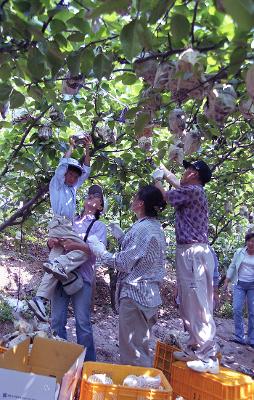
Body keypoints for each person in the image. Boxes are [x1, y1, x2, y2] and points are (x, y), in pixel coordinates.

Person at [88, 185, 167, 367]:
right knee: (140, 346)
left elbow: (123, 262)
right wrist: (122, 237)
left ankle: (138, 390)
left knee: (133, 354)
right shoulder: (155, 227)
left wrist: (100, 251)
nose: (132, 199)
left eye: (135, 197)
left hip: (135, 296)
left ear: (140, 203)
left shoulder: (142, 229)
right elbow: (141, 253)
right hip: (149, 297)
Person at [153, 160, 219, 374]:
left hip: (193, 253)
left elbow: (164, 196)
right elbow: (175, 181)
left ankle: (208, 356)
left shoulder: (193, 191)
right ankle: (194, 347)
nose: (184, 172)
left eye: (188, 169)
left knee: (198, 303)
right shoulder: (191, 189)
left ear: (194, 175)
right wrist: (162, 169)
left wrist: (157, 180)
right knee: (188, 302)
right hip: (188, 252)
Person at [28, 136, 91, 321]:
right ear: (64, 174)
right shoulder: (56, 184)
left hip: (64, 225)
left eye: (74, 176)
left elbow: (86, 170)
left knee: (53, 265)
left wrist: (87, 147)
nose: (72, 177)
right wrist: (71, 147)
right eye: (69, 174)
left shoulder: (73, 189)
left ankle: (40, 299)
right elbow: (62, 165)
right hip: (60, 224)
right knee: (84, 250)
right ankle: (60, 264)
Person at [50, 185, 107, 361]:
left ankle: (88, 364)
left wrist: (75, 245)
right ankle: (61, 359)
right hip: (62, 275)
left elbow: (97, 252)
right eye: (90, 194)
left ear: (100, 207)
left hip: (83, 278)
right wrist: (52, 242)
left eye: (96, 196)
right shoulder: (70, 221)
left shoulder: (98, 226)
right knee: (57, 321)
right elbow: (56, 241)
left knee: (82, 323)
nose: (91, 197)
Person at [224, 232, 254, 347]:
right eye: (250, 241)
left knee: (253, 312)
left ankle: (251, 339)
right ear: (246, 241)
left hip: (252, 286)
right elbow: (232, 266)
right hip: (239, 284)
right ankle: (239, 336)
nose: (251, 243)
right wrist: (227, 281)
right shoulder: (239, 252)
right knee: (237, 309)